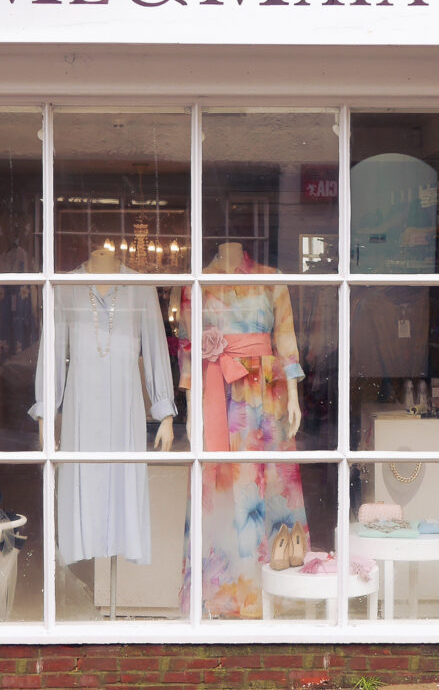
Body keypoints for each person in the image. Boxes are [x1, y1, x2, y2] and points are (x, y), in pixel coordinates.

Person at [178, 243, 309, 619]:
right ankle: (223, 596)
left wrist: (295, 396)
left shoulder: (271, 280)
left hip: (266, 397)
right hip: (219, 396)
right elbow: (188, 349)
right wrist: (190, 410)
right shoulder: (196, 283)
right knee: (221, 487)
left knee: (265, 489)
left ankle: (274, 594)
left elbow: (286, 340)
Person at [31, 247, 176, 566]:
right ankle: (84, 543)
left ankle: (123, 542)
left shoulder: (140, 286)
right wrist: (46, 410)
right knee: (84, 475)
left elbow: (154, 344)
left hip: (126, 402)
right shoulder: (64, 285)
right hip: (81, 402)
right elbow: (52, 351)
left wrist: (164, 410)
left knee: (124, 476)